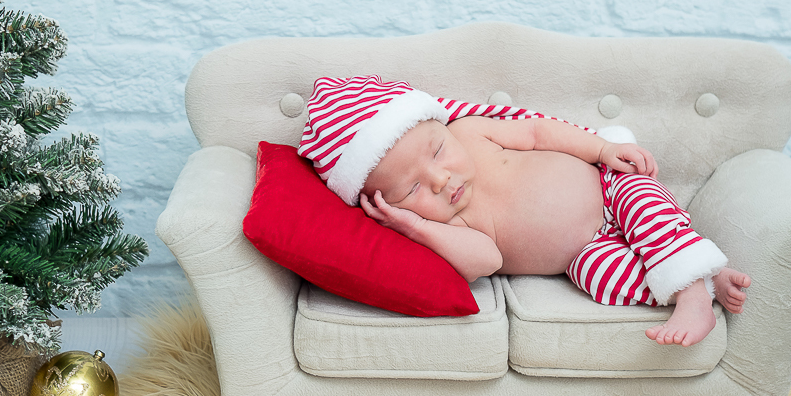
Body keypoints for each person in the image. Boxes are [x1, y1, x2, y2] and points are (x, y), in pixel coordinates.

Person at [298, 75, 750, 347]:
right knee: (604, 280)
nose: (440, 181)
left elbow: (537, 133)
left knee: (645, 209)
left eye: (437, 151)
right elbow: (487, 261)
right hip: (584, 253)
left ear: (441, 125)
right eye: (412, 188)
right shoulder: (446, 222)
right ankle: (706, 281)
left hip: (609, 188)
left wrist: (603, 148)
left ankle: (691, 295)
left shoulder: (473, 132)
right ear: (386, 204)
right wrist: (417, 228)